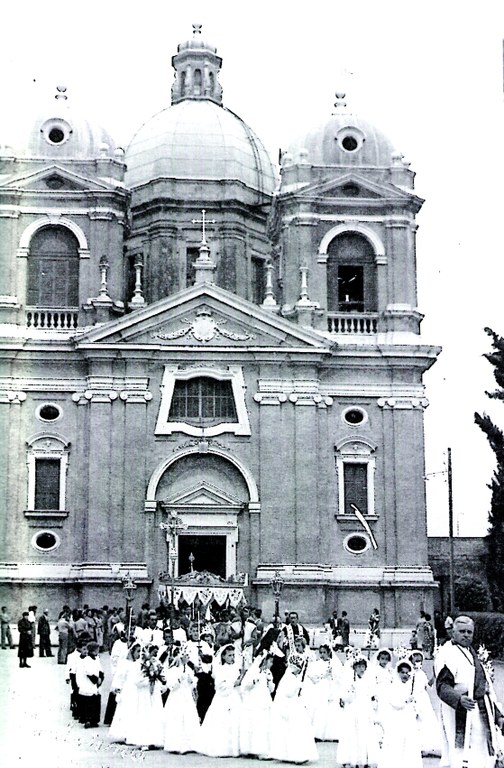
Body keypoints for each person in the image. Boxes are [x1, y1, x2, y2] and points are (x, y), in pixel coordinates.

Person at [435, 614, 504, 768]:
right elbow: (442, 686)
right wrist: (459, 699)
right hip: (460, 710)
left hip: (480, 710)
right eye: (462, 631)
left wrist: (498, 716)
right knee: (463, 752)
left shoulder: (472, 653)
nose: (466, 635)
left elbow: (485, 690)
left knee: (483, 750)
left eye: (469, 632)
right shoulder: (448, 654)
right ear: (453, 632)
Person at [269, 652, 319, 764]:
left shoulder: (294, 677)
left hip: (295, 705)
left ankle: (298, 754)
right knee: (292, 729)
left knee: (298, 728)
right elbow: (287, 693)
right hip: (289, 706)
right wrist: (297, 686)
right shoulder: (288, 677)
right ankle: (294, 755)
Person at [197, 643, 243, 757]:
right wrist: (233, 684)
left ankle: (235, 748)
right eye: (229, 655)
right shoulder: (221, 670)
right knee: (222, 722)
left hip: (234, 697)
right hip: (223, 698)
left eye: (233, 655)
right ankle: (222, 748)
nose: (232, 658)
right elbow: (219, 686)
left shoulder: (235, 668)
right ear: (223, 656)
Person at [377, 659, 423, 768]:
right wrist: (406, 700)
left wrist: (415, 705)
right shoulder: (393, 686)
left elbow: (417, 702)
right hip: (397, 719)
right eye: (402, 672)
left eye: (407, 672)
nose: (405, 675)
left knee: (410, 743)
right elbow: (394, 702)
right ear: (398, 673)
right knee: (396, 743)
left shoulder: (412, 686)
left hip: (409, 719)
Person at [337, 654, 380, 768]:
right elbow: (345, 697)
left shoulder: (368, 680)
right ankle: (350, 759)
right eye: (358, 666)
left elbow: (372, 694)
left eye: (363, 666)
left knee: (365, 733)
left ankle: (364, 759)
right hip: (352, 710)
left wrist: (373, 700)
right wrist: (351, 692)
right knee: (351, 733)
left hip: (364, 710)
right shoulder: (349, 680)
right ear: (354, 668)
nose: (361, 669)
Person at [163, 646, 200, 754]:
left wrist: (191, 681)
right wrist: (179, 679)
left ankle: (190, 744)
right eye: (185, 655)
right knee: (177, 718)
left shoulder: (188, 669)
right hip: (177, 697)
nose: (187, 658)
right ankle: (177, 744)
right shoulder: (173, 670)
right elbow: (171, 686)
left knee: (189, 717)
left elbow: (192, 684)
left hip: (186, 696)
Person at [239, 650, 275, 758]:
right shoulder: (253, 671)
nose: (271, 664)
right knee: (255, 723)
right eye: (270, 662)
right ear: (264, 661)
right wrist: (254, 682)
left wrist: (270, 681)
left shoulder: (267, 672)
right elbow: (244, 687)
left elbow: (271, 690)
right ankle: (252, 749)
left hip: (265, 700)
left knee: (265, 724)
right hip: (254, 701)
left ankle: (264, 749)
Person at [408, 649, 442, 756]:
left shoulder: (421, 674)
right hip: (414, 699)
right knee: (414, 720)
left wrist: (434, 676)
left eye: (420, 661)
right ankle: (415, 746)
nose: (418, 663)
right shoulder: (409, 674)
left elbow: (427, 686)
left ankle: (427, 746)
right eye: (416, 661)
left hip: (423, 699)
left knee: (426, 720)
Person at [75, 641, 104, 728]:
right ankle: (87, 719)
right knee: (88, 702)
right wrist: (96, 679)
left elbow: (100, 669)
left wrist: (101, 678)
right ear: (93, 650)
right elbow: (88, 672)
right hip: (88, 684)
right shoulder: (87, 660)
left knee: (95, 702)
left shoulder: (96, 659)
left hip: (95, 685)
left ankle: (94, 720)